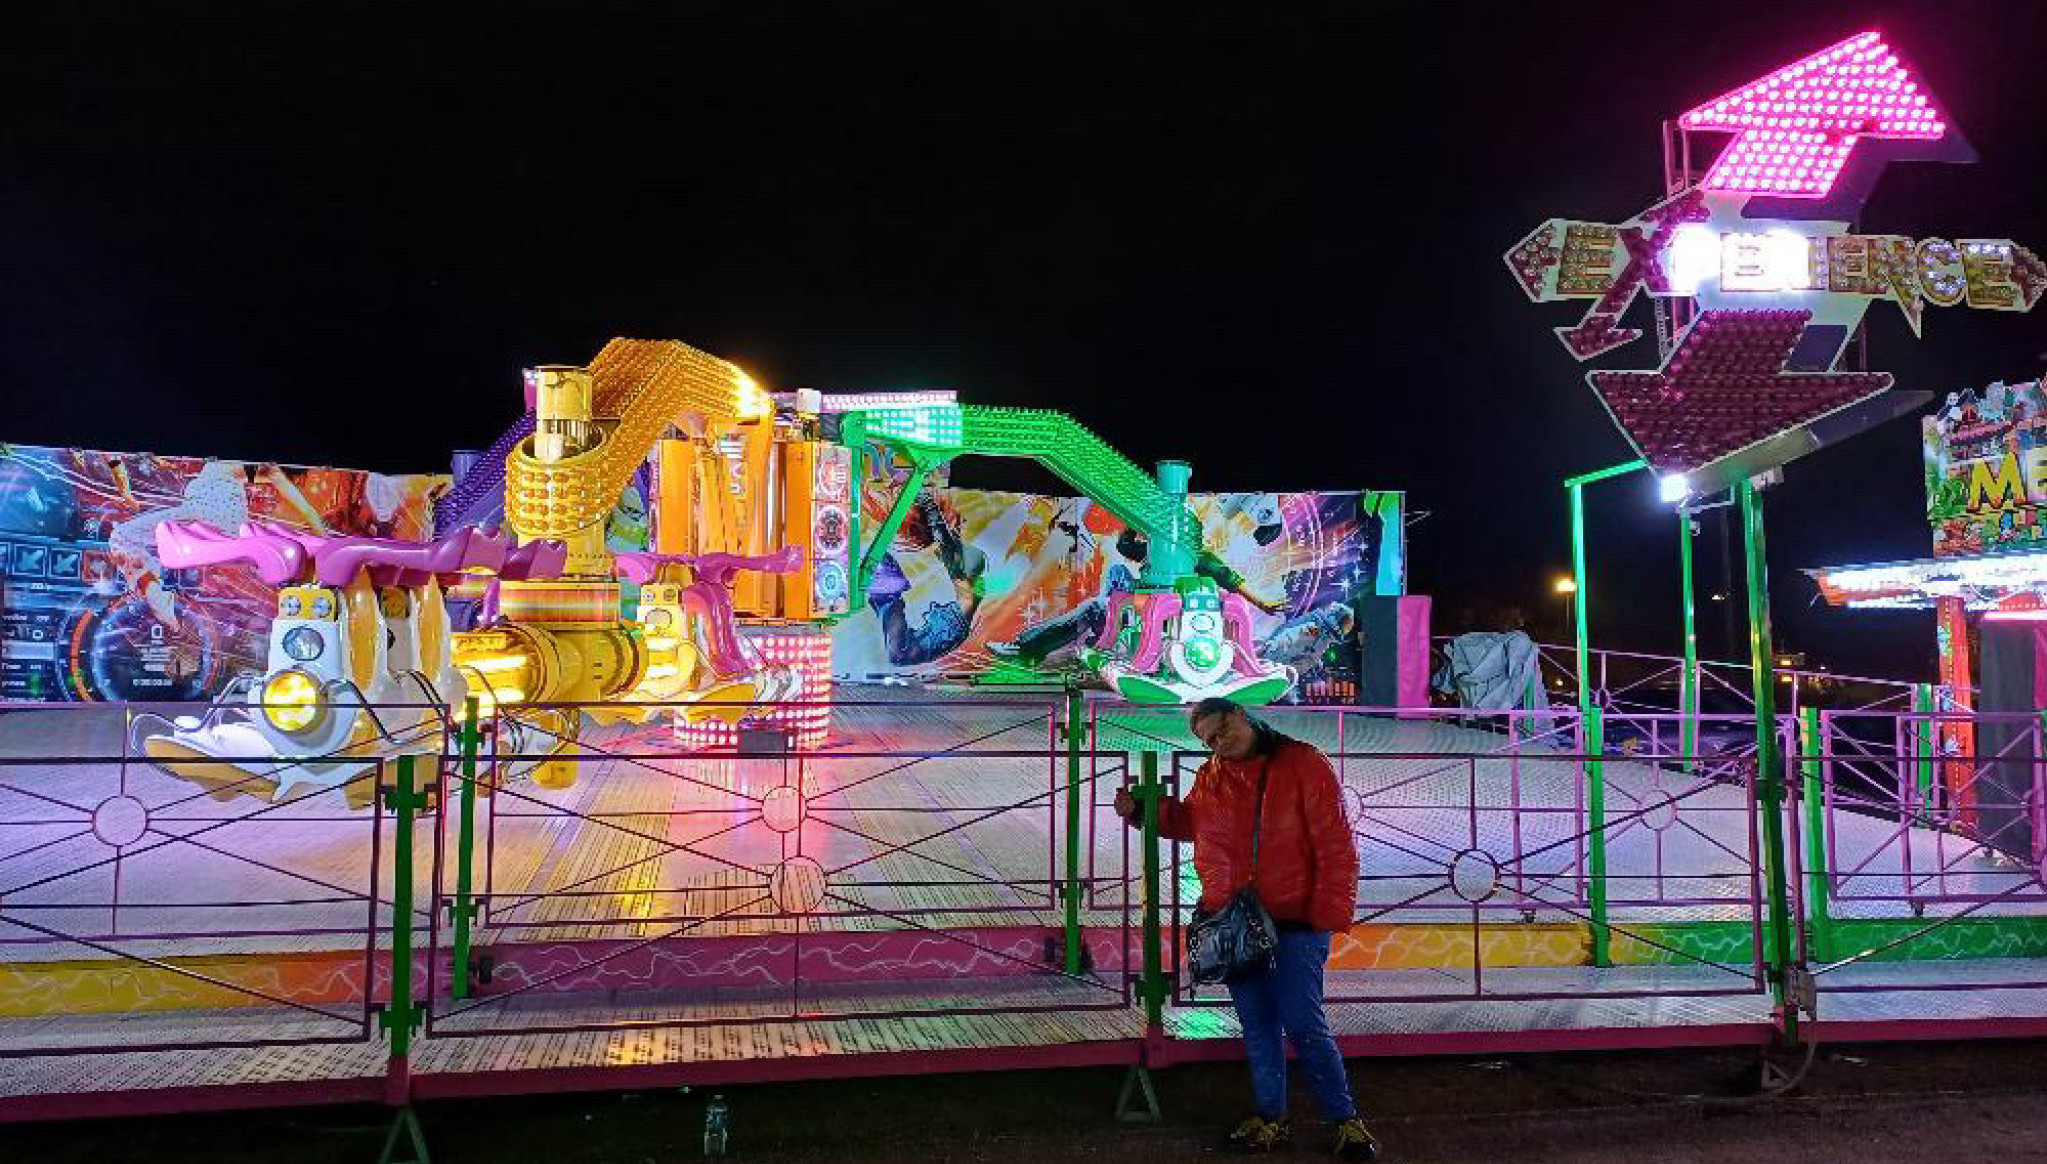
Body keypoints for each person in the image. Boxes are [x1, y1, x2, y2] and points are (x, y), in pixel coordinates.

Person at [1114, 697, 1376, 1158]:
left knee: (1303, 1023)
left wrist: (1326, 916)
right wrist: (1142, 811)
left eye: (1222, 730)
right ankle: (1271, 1116)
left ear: (1241, 715)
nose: (1220, 742)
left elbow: (1336, 843)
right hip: (1232, 923)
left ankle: (1345, 1120)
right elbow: (1193, 822)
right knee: (1257, 1026)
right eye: (1209, 740)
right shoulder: (1211, 775)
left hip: (1294, 920)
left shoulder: (1303, 764)